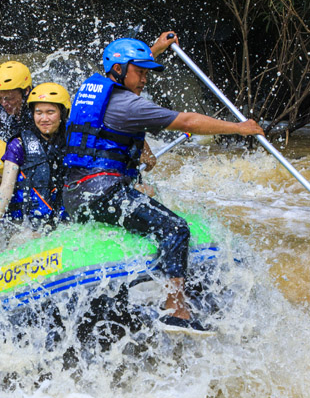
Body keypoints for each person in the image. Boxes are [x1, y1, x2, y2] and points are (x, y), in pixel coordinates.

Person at [62, 32, 265, 334]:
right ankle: (175, 310)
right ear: (119, 69)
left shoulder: (91, 91)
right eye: (140, 72)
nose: (145, 79)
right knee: (175, 229)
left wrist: (155, 49)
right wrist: (239, 127)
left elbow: (112, 127)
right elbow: (188, 122)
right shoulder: (130, 105)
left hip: (75, 194)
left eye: (147, 72)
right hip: (104, 193)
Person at [0, 82, 70, 250]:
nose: (44, 119)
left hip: (64, 221)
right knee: (19, 241)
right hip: (30, 225)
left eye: (50, 112)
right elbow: (6, 187)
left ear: (62, 113)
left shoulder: (73, 141)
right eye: (38, 113)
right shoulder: (18, 144)